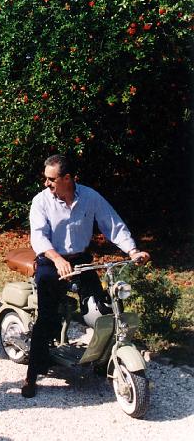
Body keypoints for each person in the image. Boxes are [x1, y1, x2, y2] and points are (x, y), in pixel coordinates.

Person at [22, 154, 150, 398]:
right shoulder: (41, 201)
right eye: (46, 179)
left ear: (67, 178)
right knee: (47, 318)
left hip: (80, 259)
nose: (46, 183)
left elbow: (113, 224)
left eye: (51, 179)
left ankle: (104, 359)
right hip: (51, 260)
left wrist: (133, 251)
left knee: (102, 308)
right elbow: (38, 236)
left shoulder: (90, 197)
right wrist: (57, 259)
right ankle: (31, 374)